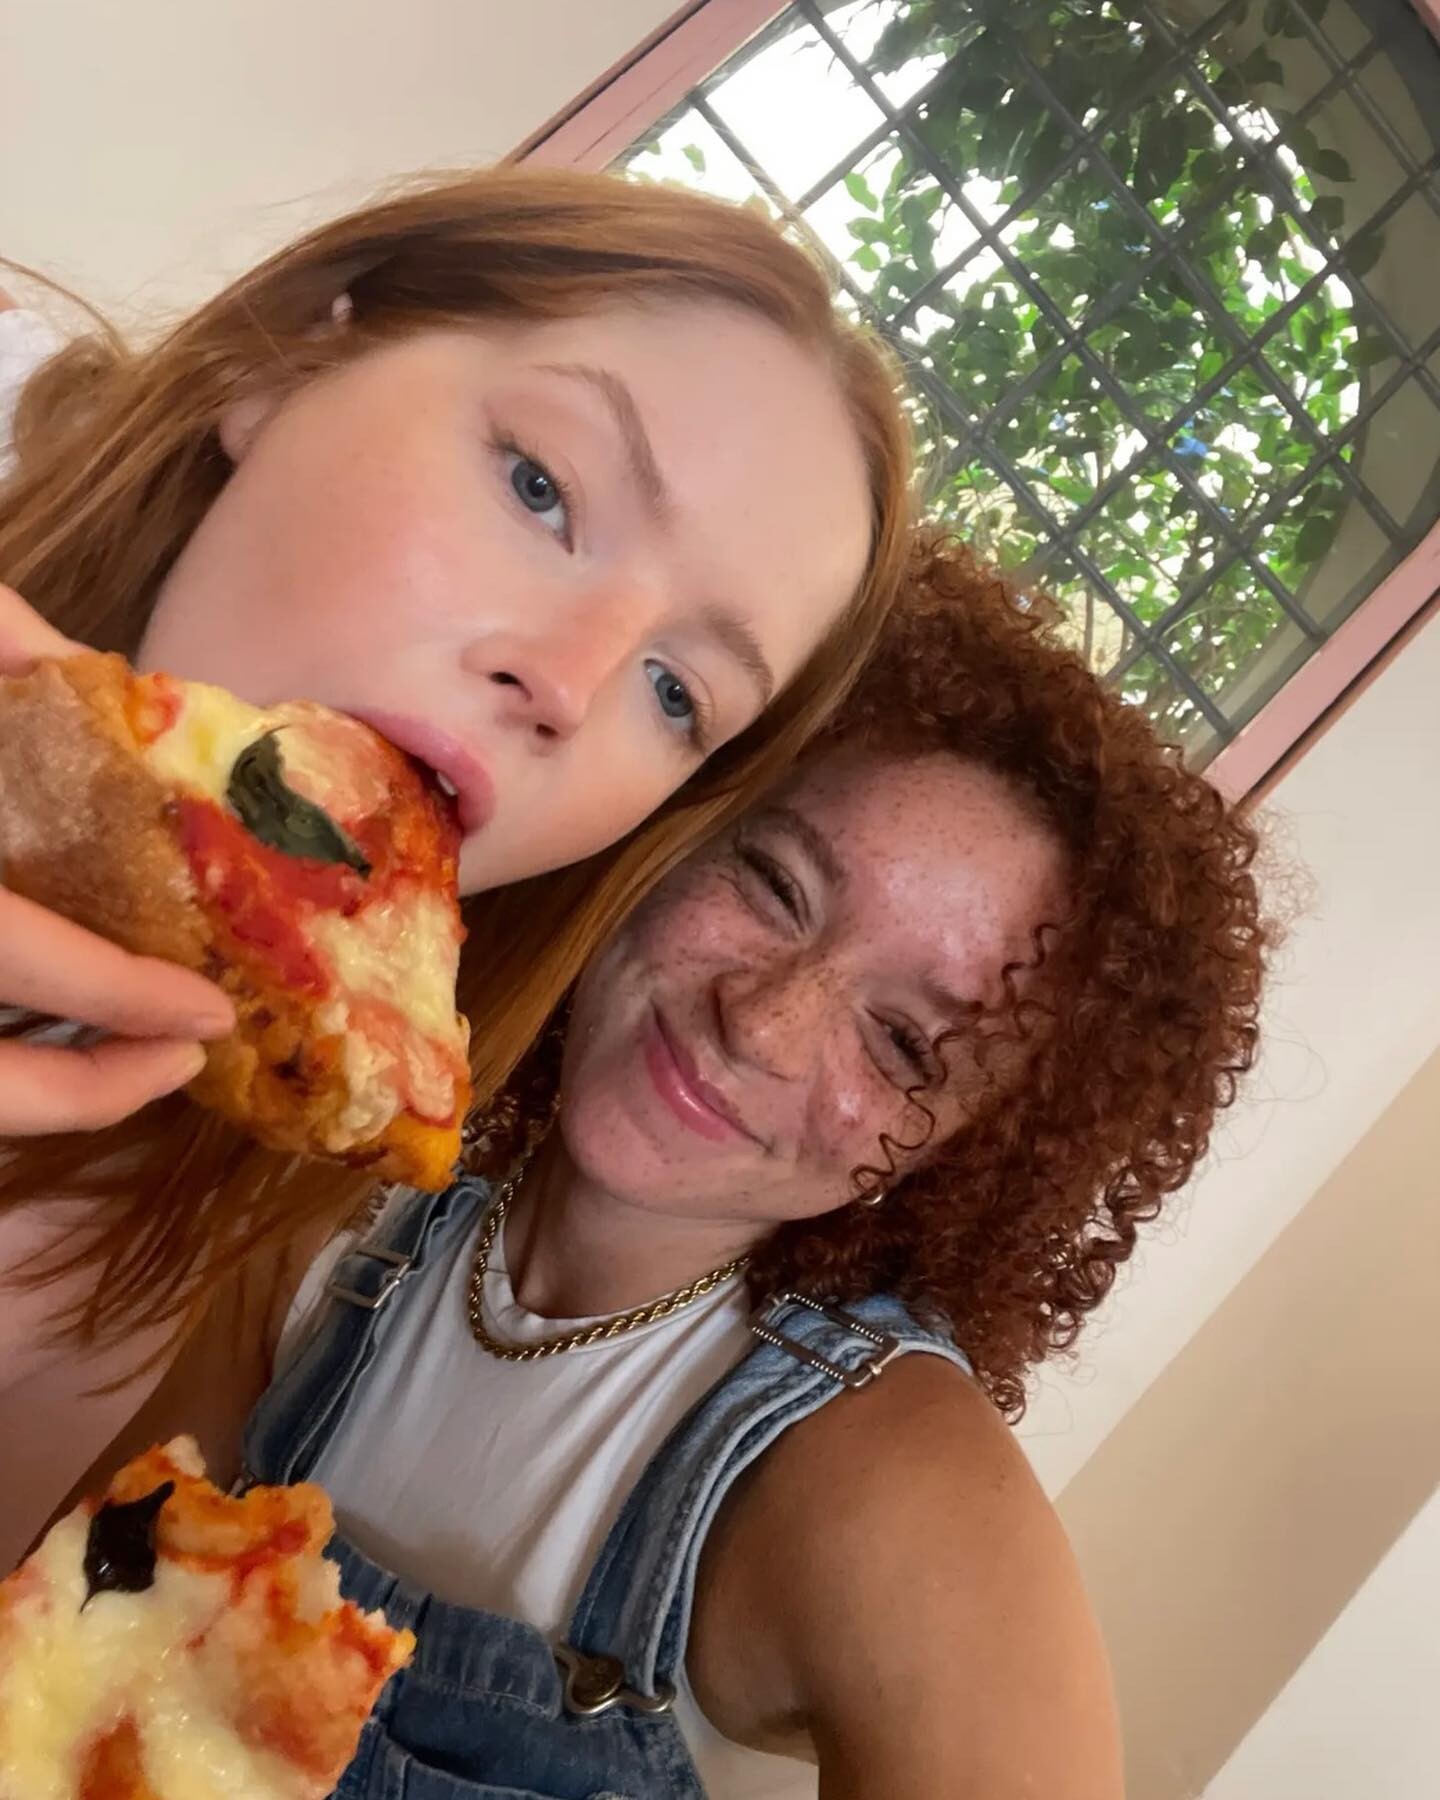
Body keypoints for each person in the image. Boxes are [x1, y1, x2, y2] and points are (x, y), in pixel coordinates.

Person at [69, 536, 1266, 1796]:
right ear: (676, 831)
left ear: (965, 1160)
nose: (765, 1021)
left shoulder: (892, 1487)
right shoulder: (336, 1211)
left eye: (907, 1043)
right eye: (775, 882)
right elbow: (74, 1627)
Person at [0, 167, 912, 1562]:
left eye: (677, 693)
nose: (569, 683)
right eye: (542, 489)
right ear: (287, 361)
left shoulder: (175, 1186)